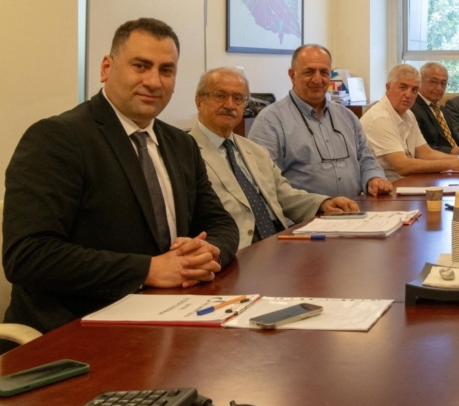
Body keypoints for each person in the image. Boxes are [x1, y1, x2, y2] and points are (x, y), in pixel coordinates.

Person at [2, 18, 239, 334]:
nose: (154, 81)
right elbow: (28, 256)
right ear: (106, 68)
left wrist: (209, 254)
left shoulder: (181, 144)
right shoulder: (57, 139)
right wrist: (148, 270)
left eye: (166, 70)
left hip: (173, 317)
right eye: (140, 66)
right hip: (76, 330)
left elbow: (220, 222)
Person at [189, 68, 359, 251]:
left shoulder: (255, 150)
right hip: (235, 251)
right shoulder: (185, 153)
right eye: (220, 96)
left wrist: (323, 203)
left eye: (238, 98)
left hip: (279, 243)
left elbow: (284, 194)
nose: (230, 105)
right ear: (199, 101)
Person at [249, 44, 392, 199]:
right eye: (309, 72)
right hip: (303, 214)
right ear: (292, 75)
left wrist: (374, 178)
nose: (317, 79)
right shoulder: (270, 121)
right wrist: (318, 205)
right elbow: (266, 182)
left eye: (324, 72)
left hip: (355, 209)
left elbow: (366, 159)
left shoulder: (347, 117)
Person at [361, 65, 459, 180]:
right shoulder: (380, 118)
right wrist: (454, 163)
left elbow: (426, 153)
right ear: (388, 88)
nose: (408, 95)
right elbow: (403, 166)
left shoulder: (408, 114)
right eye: (403, 87)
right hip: (385, 189)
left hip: (406, 184)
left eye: (414, 89)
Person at [410, 63, 459, 155]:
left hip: (457, 159)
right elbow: (420, 148)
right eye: (433, 82)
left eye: (443, 83)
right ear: (420, 81)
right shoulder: (412, 109)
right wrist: (452, 151)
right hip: (437, 161)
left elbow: (453, 141)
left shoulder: (442, 110)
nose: (439, 88)